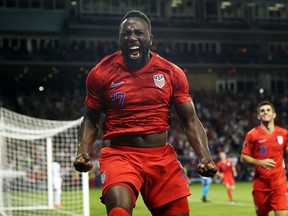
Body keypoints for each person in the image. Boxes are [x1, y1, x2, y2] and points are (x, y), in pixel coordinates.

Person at [73, 10, 217, 216]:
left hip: (161, 158)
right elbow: (90, 119)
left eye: (139, 33)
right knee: (118, 213)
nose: (132, 38)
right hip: (120, 156)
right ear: (120, 38)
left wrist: (205, 157)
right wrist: (83, 152)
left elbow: (191, 121)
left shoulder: (171, 72)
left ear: (150, 38)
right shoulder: (101, 73)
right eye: (126, 33)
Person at [241, 100, 288, 216]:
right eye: (262, 111)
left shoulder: (283, 133)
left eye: (268, 110)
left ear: (274, 114)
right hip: (260, 187)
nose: (265, 112)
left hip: (279, 185)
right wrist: (260, 162)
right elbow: (243, 157)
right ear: (258, 116)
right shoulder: (252, 134)